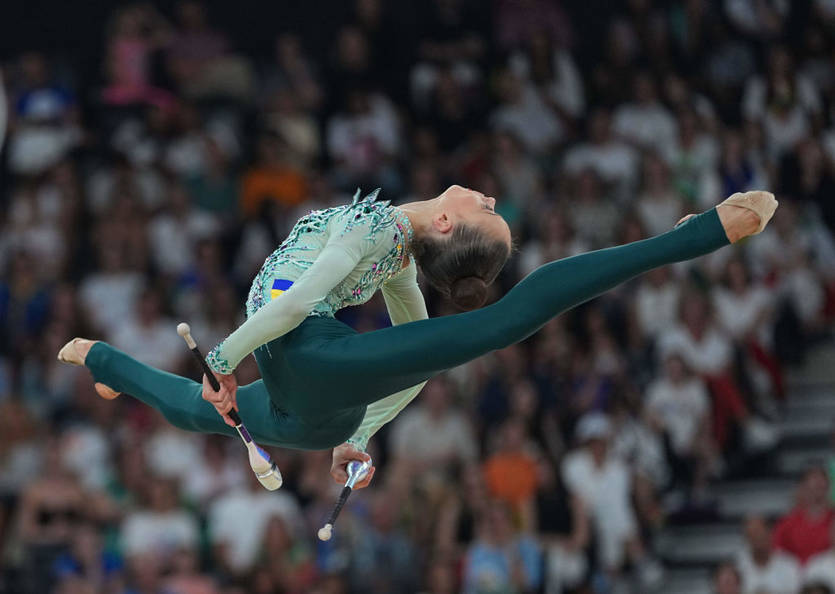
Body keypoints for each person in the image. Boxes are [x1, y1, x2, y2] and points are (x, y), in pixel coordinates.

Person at [57, 185, 777, 489]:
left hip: (309, 364)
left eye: (484, 210)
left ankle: (693, 236)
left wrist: (223, 358)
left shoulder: (377, 234)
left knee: (494, 326)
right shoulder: (392, 245)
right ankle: (105, 360)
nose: (486, 198)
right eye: (493, 207)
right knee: (197, 412)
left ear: (444, 224)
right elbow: (404, 357)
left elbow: (305, 302)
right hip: (311, 391)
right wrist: (354, 432)